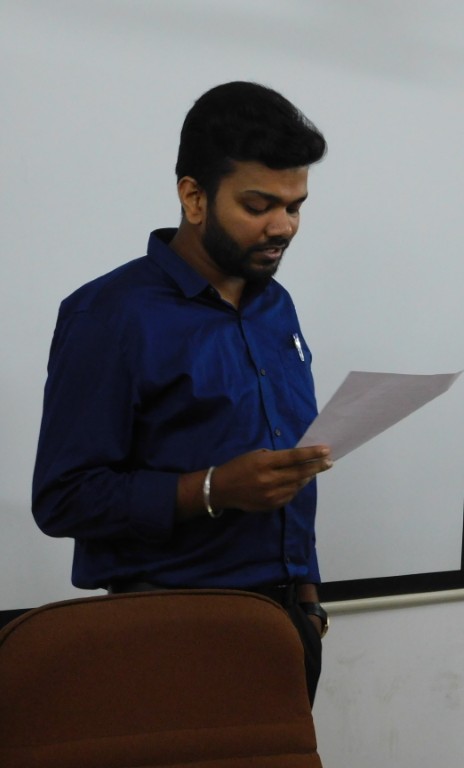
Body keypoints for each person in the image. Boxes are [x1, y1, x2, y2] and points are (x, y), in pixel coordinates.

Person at [32, 81, 334, 703]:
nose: (283, 227)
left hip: (284, 628)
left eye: (296, 206)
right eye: (259, 206)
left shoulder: (276, 305)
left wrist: (309, 602)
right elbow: (63, 499)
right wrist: (213, 489)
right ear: (194, 197)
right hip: (167, 633)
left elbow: (287, 472)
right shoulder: (110, 316)